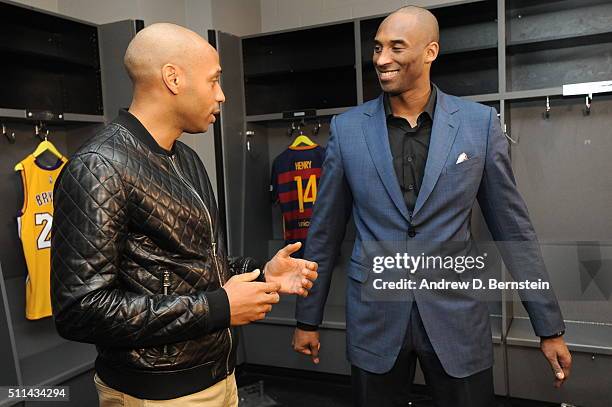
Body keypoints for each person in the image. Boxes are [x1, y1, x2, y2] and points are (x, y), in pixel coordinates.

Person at [292, 6, 571, 407]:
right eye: (377, 48)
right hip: (375, 319)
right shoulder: (347, 129)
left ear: (430, 52)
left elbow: (512, 230)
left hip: (457, 320)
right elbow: (324, 231)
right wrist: (307, 318)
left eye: (396, 47)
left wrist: (549, 327)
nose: (382, 59)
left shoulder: (479, 124)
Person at [51, 23, 318, 407]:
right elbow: (79, 310)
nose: (222, 95)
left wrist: (263, 272)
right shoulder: (100, 166)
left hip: (218, 378)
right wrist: (219, 308)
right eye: (213, 81)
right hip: (158, 395)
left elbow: (189, 266)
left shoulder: (186, 158)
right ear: (173, 78)